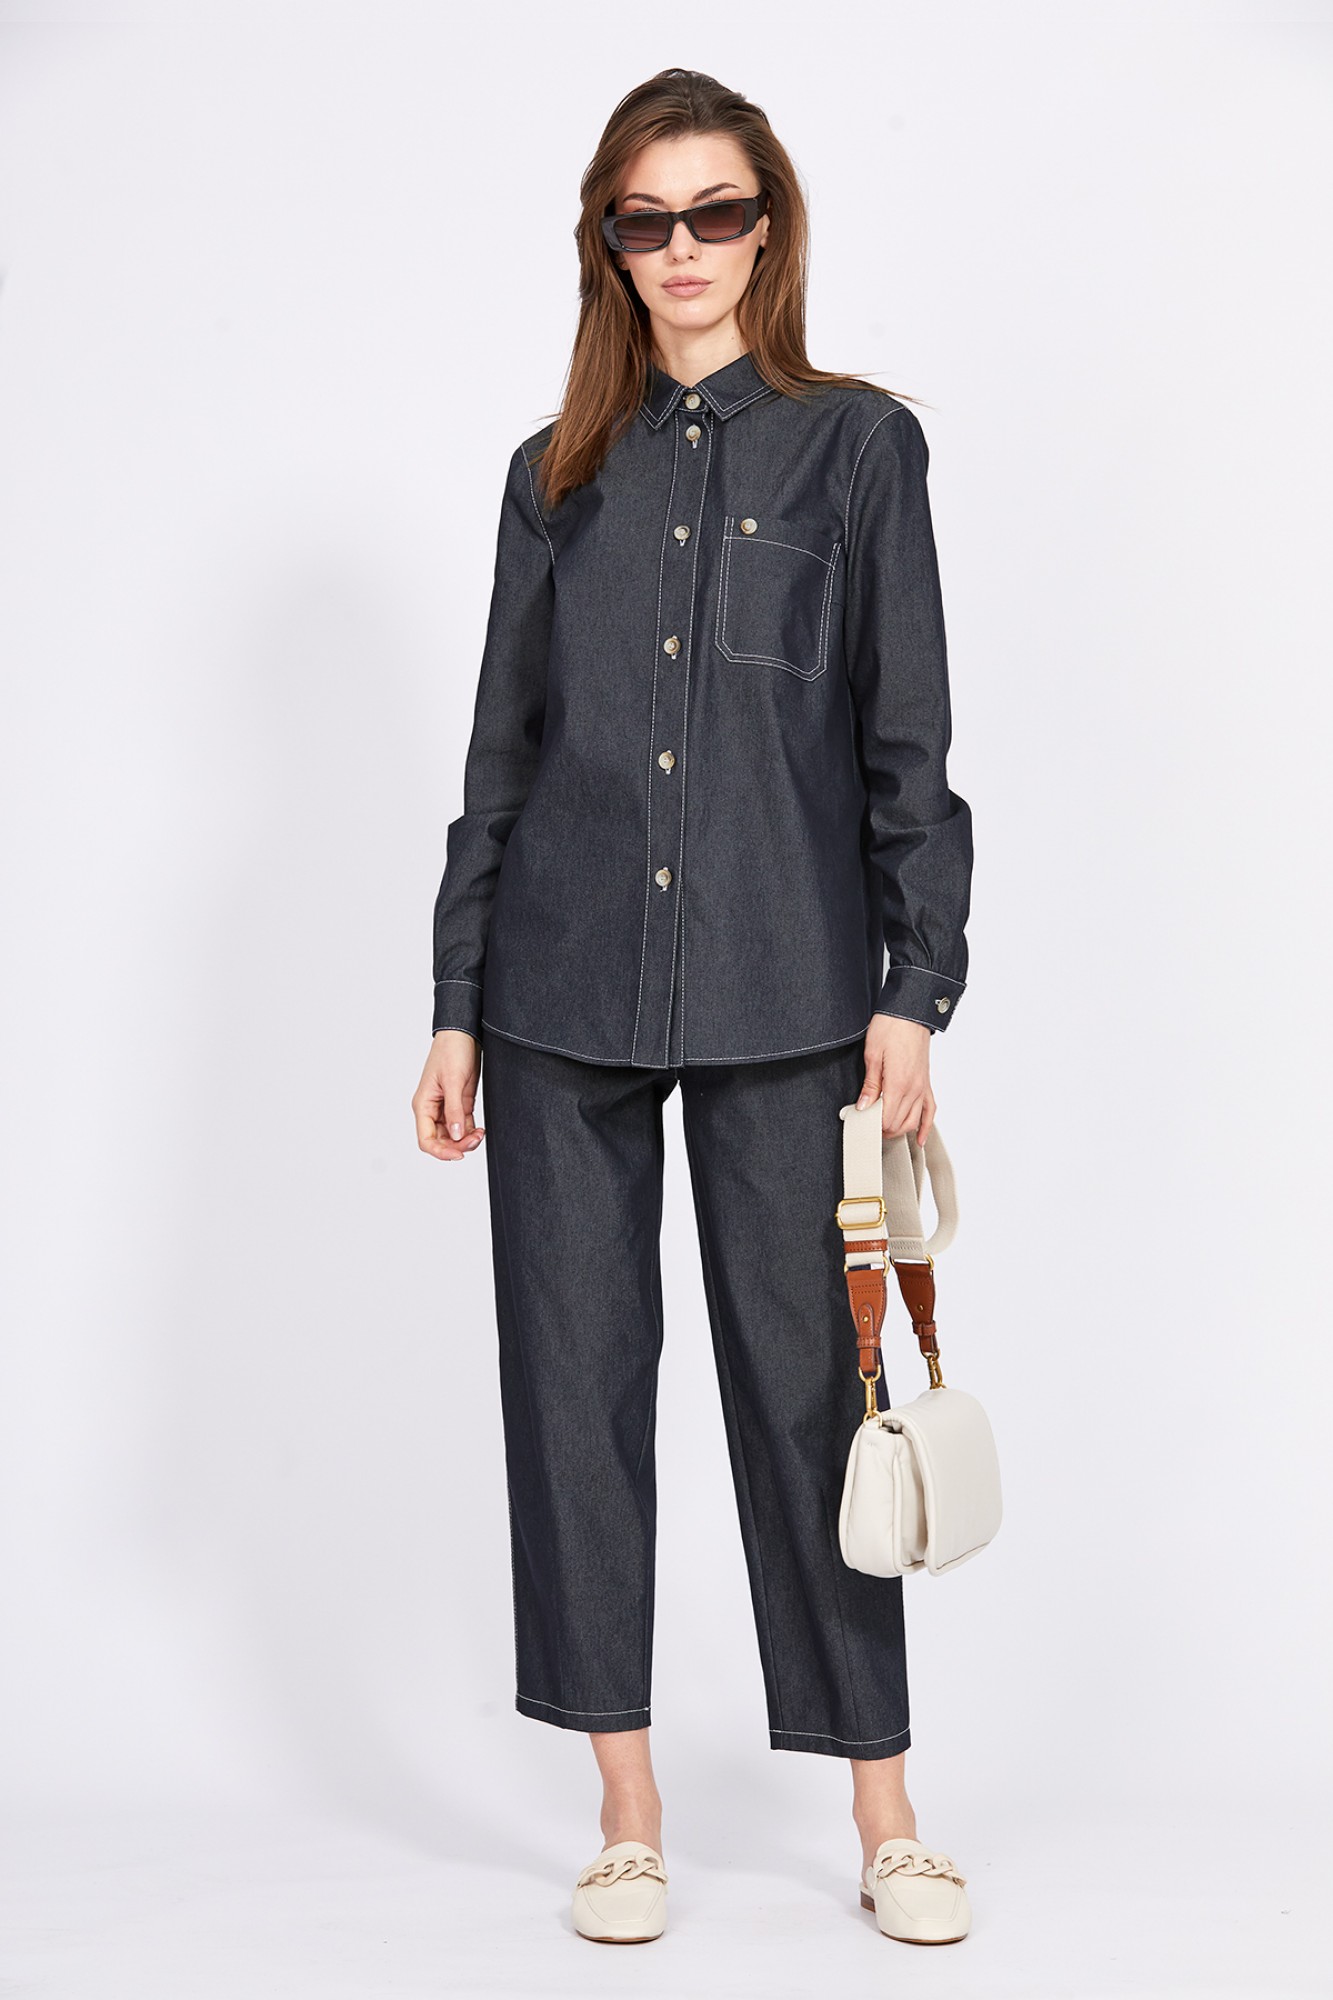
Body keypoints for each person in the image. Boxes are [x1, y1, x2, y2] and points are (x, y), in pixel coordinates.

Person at [411, 66, 975, 1949]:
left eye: (713, 213)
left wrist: (914, 987)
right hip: (556, 987)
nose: (681, 250)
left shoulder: (857, 449)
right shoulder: (552, 476)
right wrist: (455, 997)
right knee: (573, 1393)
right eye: (644, 220)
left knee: (813, 1397)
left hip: (787, 987)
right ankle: (626, 1810)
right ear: (607, 241)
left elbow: (907, 745)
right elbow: (501, 751)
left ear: (767, 227)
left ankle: (885, 1812)